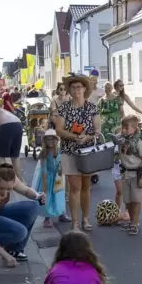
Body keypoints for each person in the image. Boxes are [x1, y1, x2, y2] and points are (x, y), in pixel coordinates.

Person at [53, 74, 100, 232]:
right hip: (69, 151)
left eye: (79, 87)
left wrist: (88, 136)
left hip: (88, 152)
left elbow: (97, 131)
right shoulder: (63, 108)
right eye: (73, 87)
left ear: (85, 89)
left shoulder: (92, 108)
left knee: (86, 187)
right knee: (74, 187)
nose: (76, 90)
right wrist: (74, 137)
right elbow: (59, 130)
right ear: (69, 90)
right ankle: (74, 222)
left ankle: (85, 219)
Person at [116, 115, 142, 235]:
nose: (123, 129)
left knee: (136, 200)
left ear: (134, 128)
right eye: (122, 126)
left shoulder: (138, 143)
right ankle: (131, 221)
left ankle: (135, 224)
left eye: (126, 127)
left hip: (136, 173)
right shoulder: (121, 139)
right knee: (128, 201)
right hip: (125, 173)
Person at [33, 129, 67, 228]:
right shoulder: (44, 153)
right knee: (48, 198)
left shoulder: (60, 151)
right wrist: (44, 186)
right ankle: (47, 218)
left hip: (58, 177)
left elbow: (62, 163)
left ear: (57, 140)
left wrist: (61, 170)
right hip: (47, 178)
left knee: (59, 195)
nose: (50, 142)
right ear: (44, 141)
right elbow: (43, 171)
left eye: (52, 139)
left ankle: (61, 213)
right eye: (47, 140)